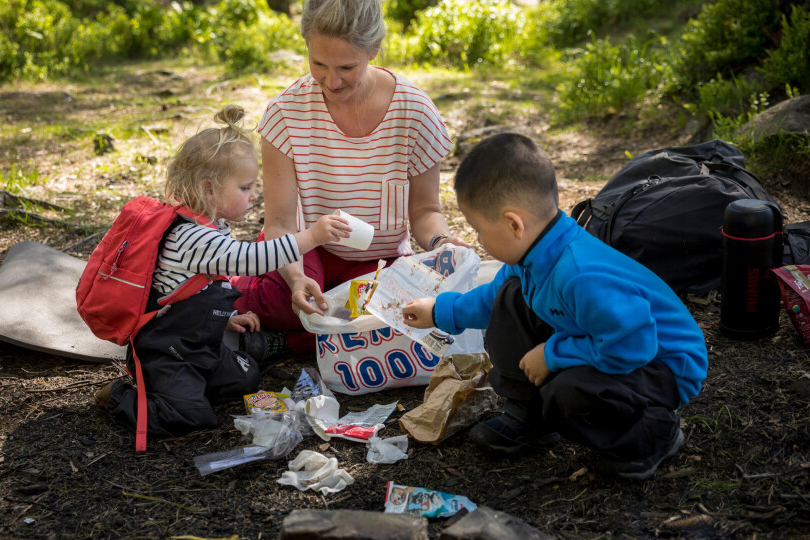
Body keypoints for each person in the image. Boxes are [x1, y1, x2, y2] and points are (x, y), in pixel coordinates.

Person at [402, 133, 708, 480]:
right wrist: (439, 311)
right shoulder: (534, 254)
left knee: (571, 392)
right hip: (611, 341)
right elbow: (491, 300)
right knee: (511, 298)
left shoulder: (579, 274)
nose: (479, 241)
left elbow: (634, 345)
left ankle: (652, 434)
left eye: (479, 231)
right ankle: (531, 415)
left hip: (660, 364)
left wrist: (552, 353)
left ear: (513, 224)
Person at [95, 105, 350, 438]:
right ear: (209, 189)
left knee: (245, 377)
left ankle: (189, 389)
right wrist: (311, 236)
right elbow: (251, 259)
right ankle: (120, 396)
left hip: (200, 343)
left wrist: (224, 317)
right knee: (188, 417)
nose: (254, 195)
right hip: (168, 352)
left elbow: (196, 291)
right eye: (245, 188)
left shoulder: (212, 226)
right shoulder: (191, 236)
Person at [231, 0, 467, 353]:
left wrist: (440, 243)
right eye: (318, 64)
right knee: (292, 303)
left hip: (376, 262)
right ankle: (242, 289)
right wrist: (296, 278)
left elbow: (424, 211)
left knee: (392, 318)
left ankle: (295, 339)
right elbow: (279, 223)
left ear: (373, 50)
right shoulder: (285, 113)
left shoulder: (414, 111)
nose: (331, 80)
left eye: (346, 66)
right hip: (304, 246)